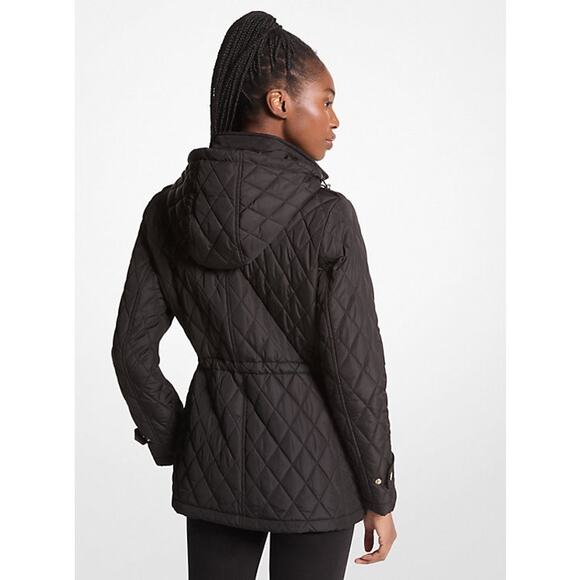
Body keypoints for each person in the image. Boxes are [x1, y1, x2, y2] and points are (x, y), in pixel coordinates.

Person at [111, 10, 398, 580]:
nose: (335, 119)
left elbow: (131, 353)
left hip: (215, 472)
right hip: (319, 479)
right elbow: (356, 371)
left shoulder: (167, 212)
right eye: (327, 100)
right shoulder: (329, 216)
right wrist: (379, 491)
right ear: (280, 102)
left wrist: (182, 442)